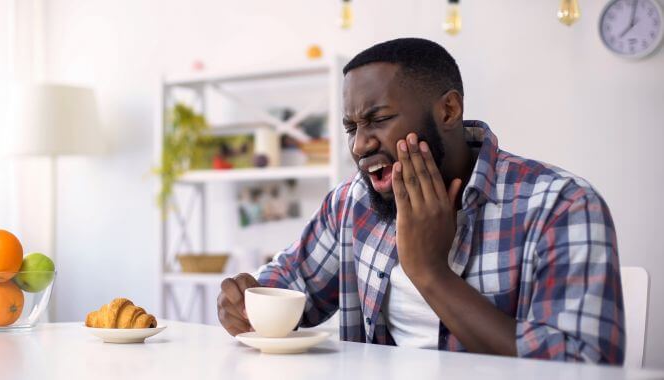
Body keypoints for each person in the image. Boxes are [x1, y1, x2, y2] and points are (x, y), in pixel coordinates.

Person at [217, 38, 625, 364]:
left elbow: (582, 365)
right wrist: (245, 298)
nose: (360, 145)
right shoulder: (352, 202)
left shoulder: (562, 206)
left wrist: (430, 272)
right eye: (351, 127)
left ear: (448, 110)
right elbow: (288, 289)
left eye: (378, 120)